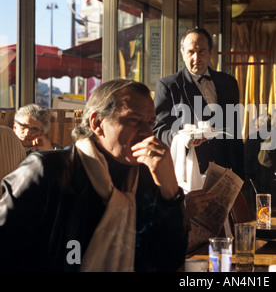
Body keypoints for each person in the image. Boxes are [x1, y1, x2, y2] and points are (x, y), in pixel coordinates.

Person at [0, 79, 188, 272]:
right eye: (133, 120)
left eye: (150, 123)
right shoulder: (48, 171)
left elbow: (170, 260)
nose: (147, 133)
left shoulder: (147, 178)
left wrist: (170, 190)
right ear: (97, 123)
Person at [153, 28, 244, 217]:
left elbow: (235, 129)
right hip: (191, 174)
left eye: (201, 51)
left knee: (229, 232)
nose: (196, 57)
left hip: (227, 174)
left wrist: (241, 173)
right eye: (190, 52)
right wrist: (183, 138)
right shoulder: (168, 86)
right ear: (182, 54)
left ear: (211, 53)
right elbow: (159, 130)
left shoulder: (229, 83)